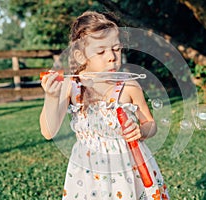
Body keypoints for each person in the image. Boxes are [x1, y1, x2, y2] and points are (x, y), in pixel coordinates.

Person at [40, 11, 169, 200]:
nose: (111, 56)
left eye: (116, 49)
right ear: (81, 56)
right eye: (101, 51)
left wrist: (141, 131)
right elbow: (48, 131)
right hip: (89, 172)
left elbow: (150, 123)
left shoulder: (130, 86)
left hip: (128, 168)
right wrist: (51, 96)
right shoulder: (72, 87)